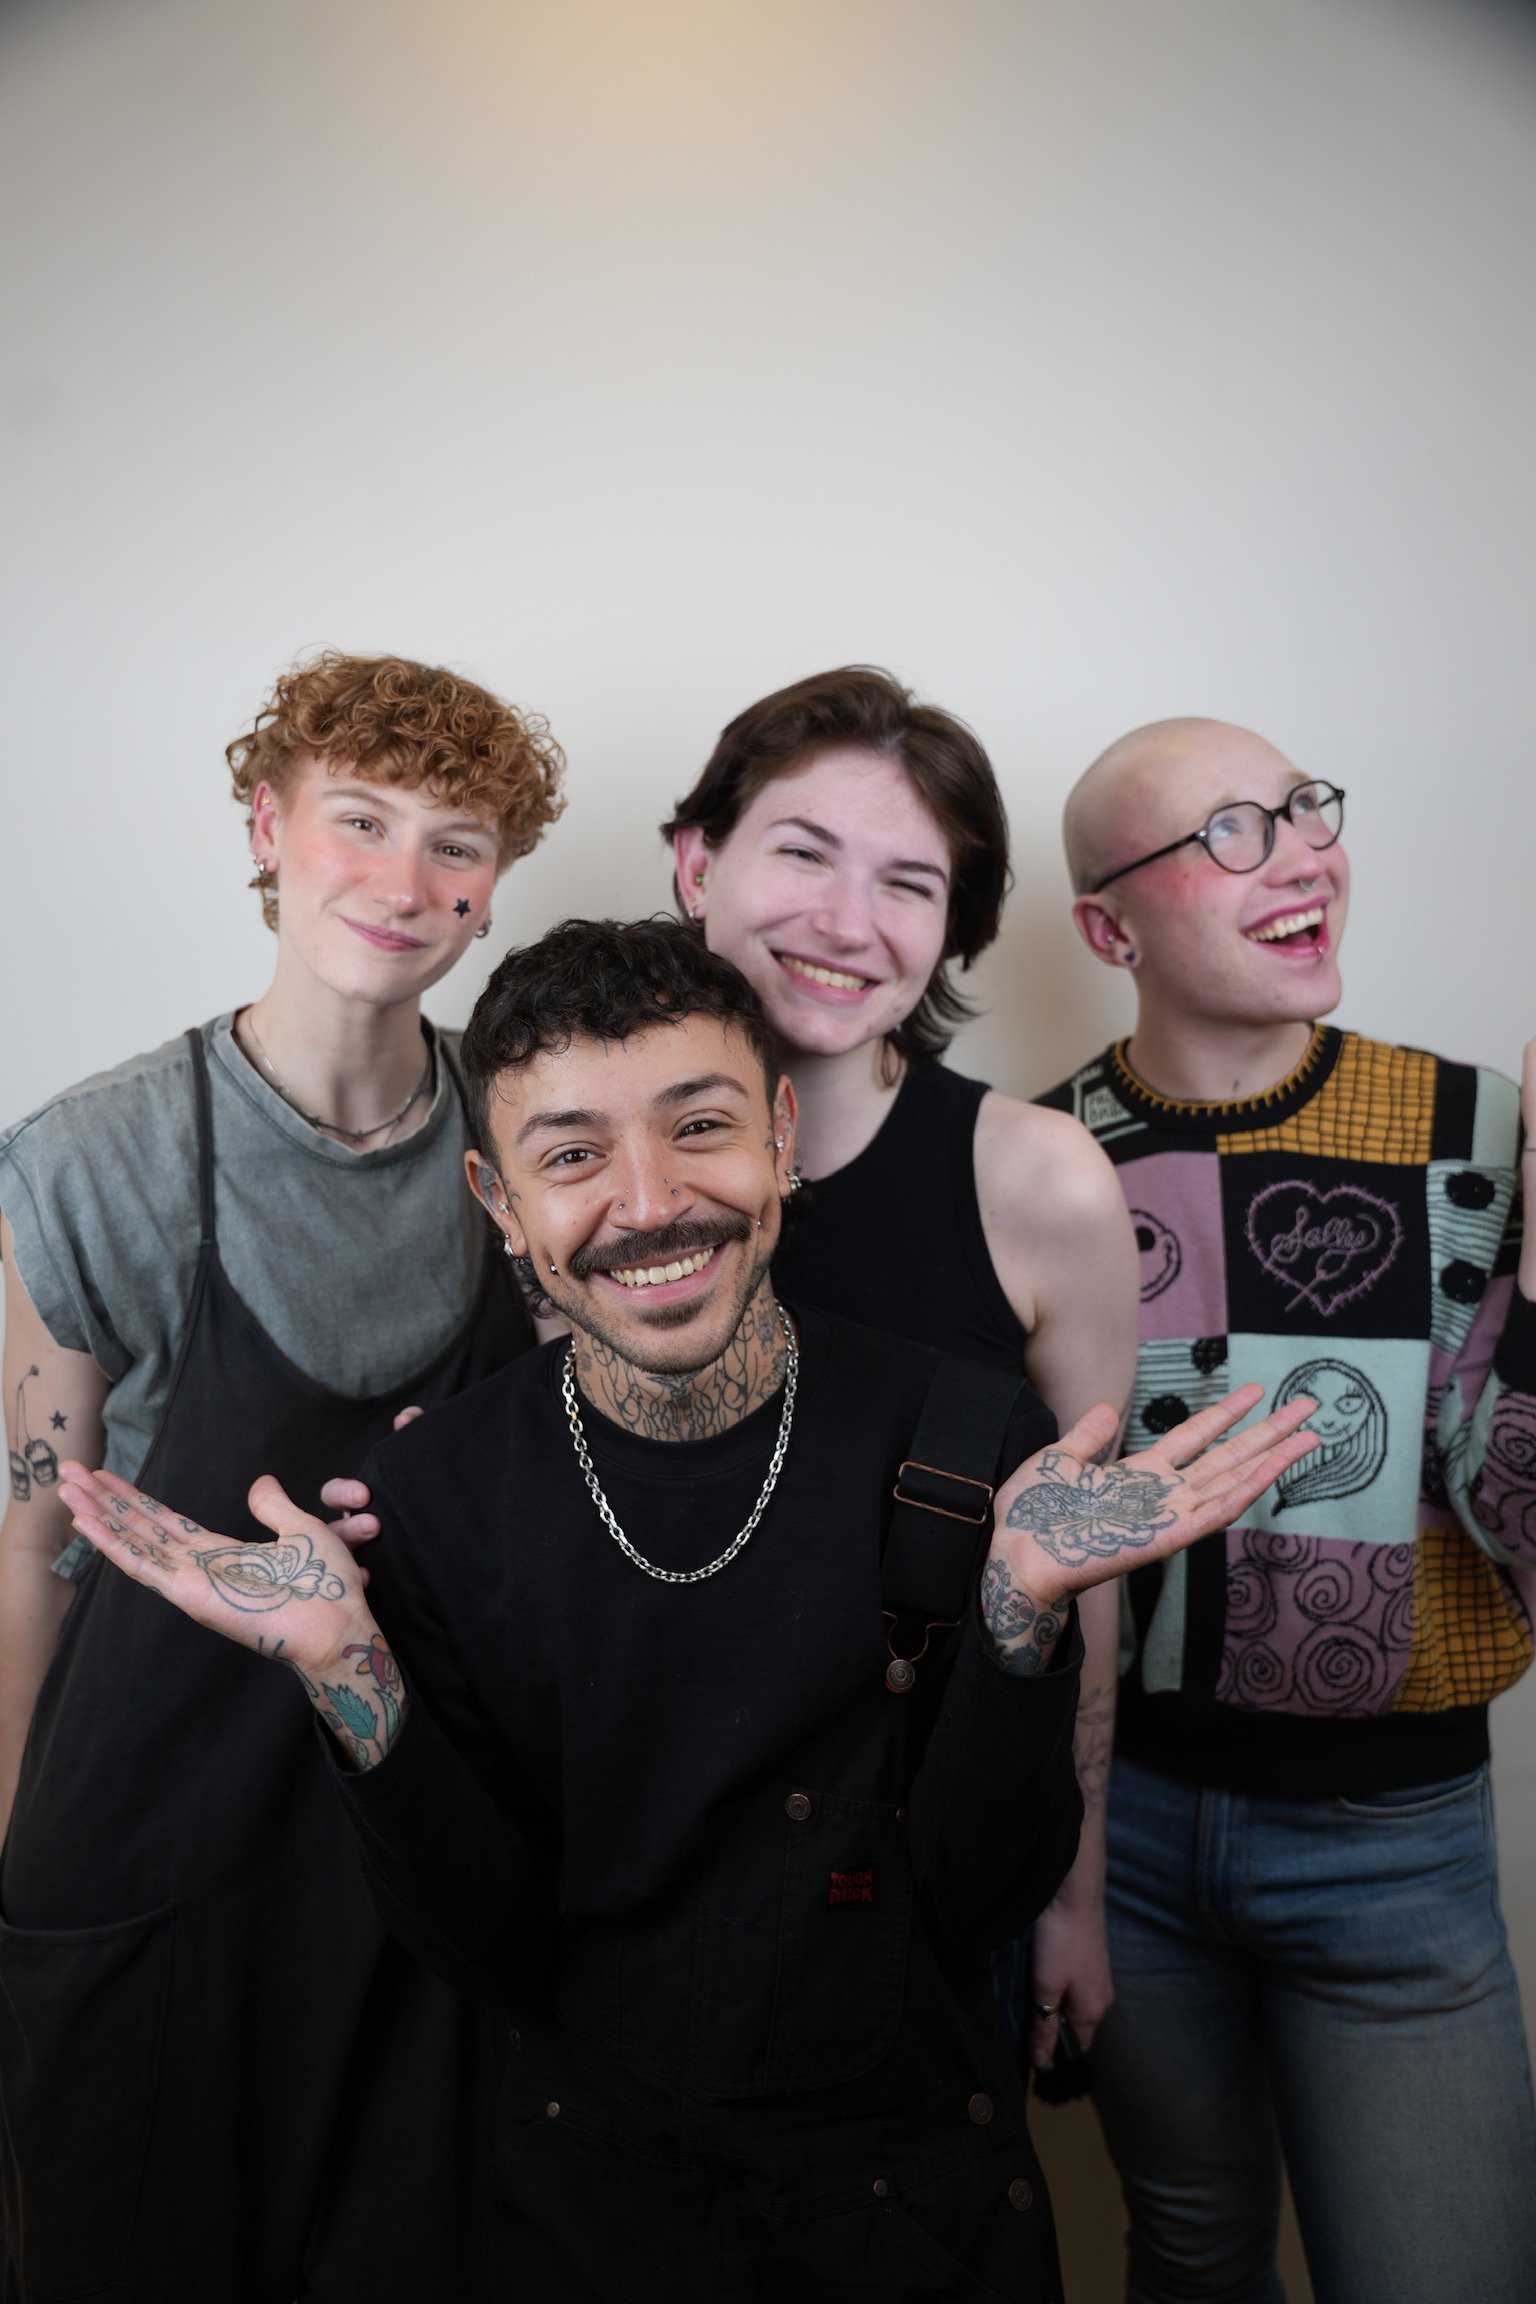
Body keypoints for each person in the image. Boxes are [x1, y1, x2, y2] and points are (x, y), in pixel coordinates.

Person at [55, 916, 1317, 2302]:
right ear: (499, 1200)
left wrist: (1021, 1614)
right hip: (584, 2215)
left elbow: (977, 1899)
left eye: (699, 1127)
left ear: (781, 1136)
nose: (651, 1204)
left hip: (913, 2211)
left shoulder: (964, 1438)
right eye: (575, 1156)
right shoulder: (435, 1497)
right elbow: (484, 1943)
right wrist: (349, 1670)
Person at [0, 651, 563, 2303]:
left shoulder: (525, 1136)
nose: (404, 882)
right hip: (149, 1843)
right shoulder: (98, 1155)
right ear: (270, 822)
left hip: (428, 1841)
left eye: (455, 843)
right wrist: (17, 1860)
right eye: (360, 821)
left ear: (495, 887)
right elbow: (34, 1526)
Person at [1043, 715, 1536, 2304]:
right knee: (1191, 2258)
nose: (1306, 851)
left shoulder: (1478, 1134)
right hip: (1120, 1838)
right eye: (1230, 831)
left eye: (1305, 810)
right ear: (1109, 928)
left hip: (1394, 1849)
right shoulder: (1040, 1162)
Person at [662, 666, 1139, 2079]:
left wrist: (1071, 1889)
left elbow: (1083, 1566)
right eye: (802, 853)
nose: (847, 925)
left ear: (951, 931)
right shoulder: (568, 1160)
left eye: (909, 884)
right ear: (699, 863)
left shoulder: (1038, 1180)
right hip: (632, 1867)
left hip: (930, 1876)